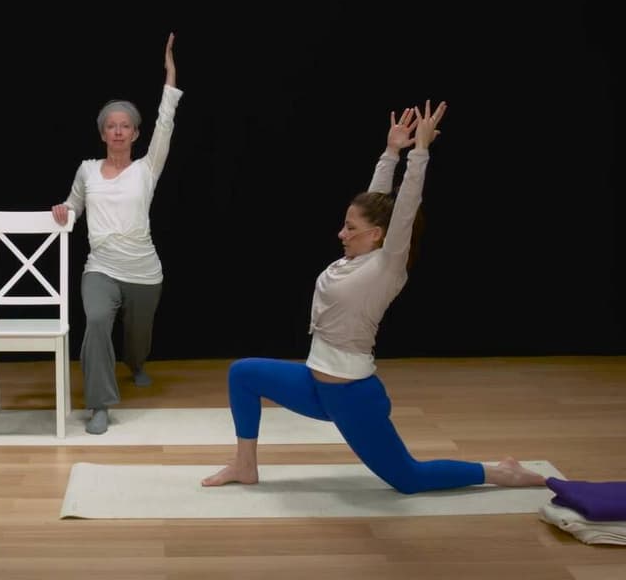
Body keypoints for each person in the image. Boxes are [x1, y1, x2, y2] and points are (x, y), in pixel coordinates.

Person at [202, 100, 548, 493]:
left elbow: (404, 208)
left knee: (408, 479)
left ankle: (500, 472)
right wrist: (391, 151)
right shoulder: (357, 258)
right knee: (243, 374)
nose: (342, 233)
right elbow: (375, 205)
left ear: (376, 235)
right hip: (317, 386)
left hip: (350, 395)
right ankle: (245, 465)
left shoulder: (386, 266)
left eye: (350, 228)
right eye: (344, 225)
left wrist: (419, 152)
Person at [51, 33, 182, 435]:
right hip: (101, 268)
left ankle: (136, 363)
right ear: (103, 134)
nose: (119, 131)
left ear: (136, 134)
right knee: (95, 322)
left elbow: (165, 124)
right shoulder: (87, 170)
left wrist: (170, 75)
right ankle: (100, 404)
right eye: (112, 126)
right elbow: (74, 206)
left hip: (144, 271)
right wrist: (64, 211)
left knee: (137, 339)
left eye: (125, 126)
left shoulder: (147, 169)